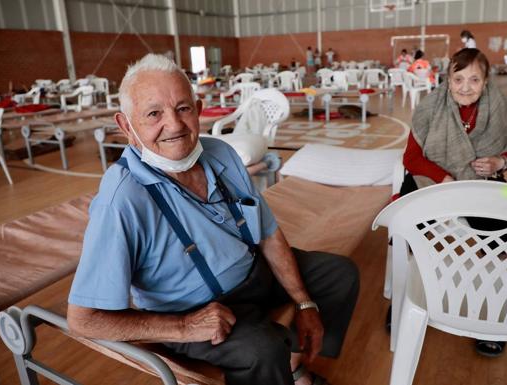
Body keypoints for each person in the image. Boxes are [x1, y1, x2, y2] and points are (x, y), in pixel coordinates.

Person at [67, 53, 359, 385]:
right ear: (126, 127)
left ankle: (294, 363)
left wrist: (306, 304)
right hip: (192, 309)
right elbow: (83, 320)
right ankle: (278, 363)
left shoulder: (221, 153)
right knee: (260, 349)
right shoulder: (123, 199)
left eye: (183, 108)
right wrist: (184, 327)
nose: (174, 125)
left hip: (252, 274)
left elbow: (267, 233)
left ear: (199, 109)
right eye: (153, 114)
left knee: (340, 274)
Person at [397, 48, 507, 357]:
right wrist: (444, 179)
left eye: (474, 79)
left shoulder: (498, 105)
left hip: (480, 185)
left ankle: (494, 315)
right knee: (408, 226)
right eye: (459, 79)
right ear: (448, 80)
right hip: (432, 182)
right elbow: (411, 158)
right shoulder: (431, 106)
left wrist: (500, 160)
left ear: (486, 81)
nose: (466, 87)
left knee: (498, 237)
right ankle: (406, 299)